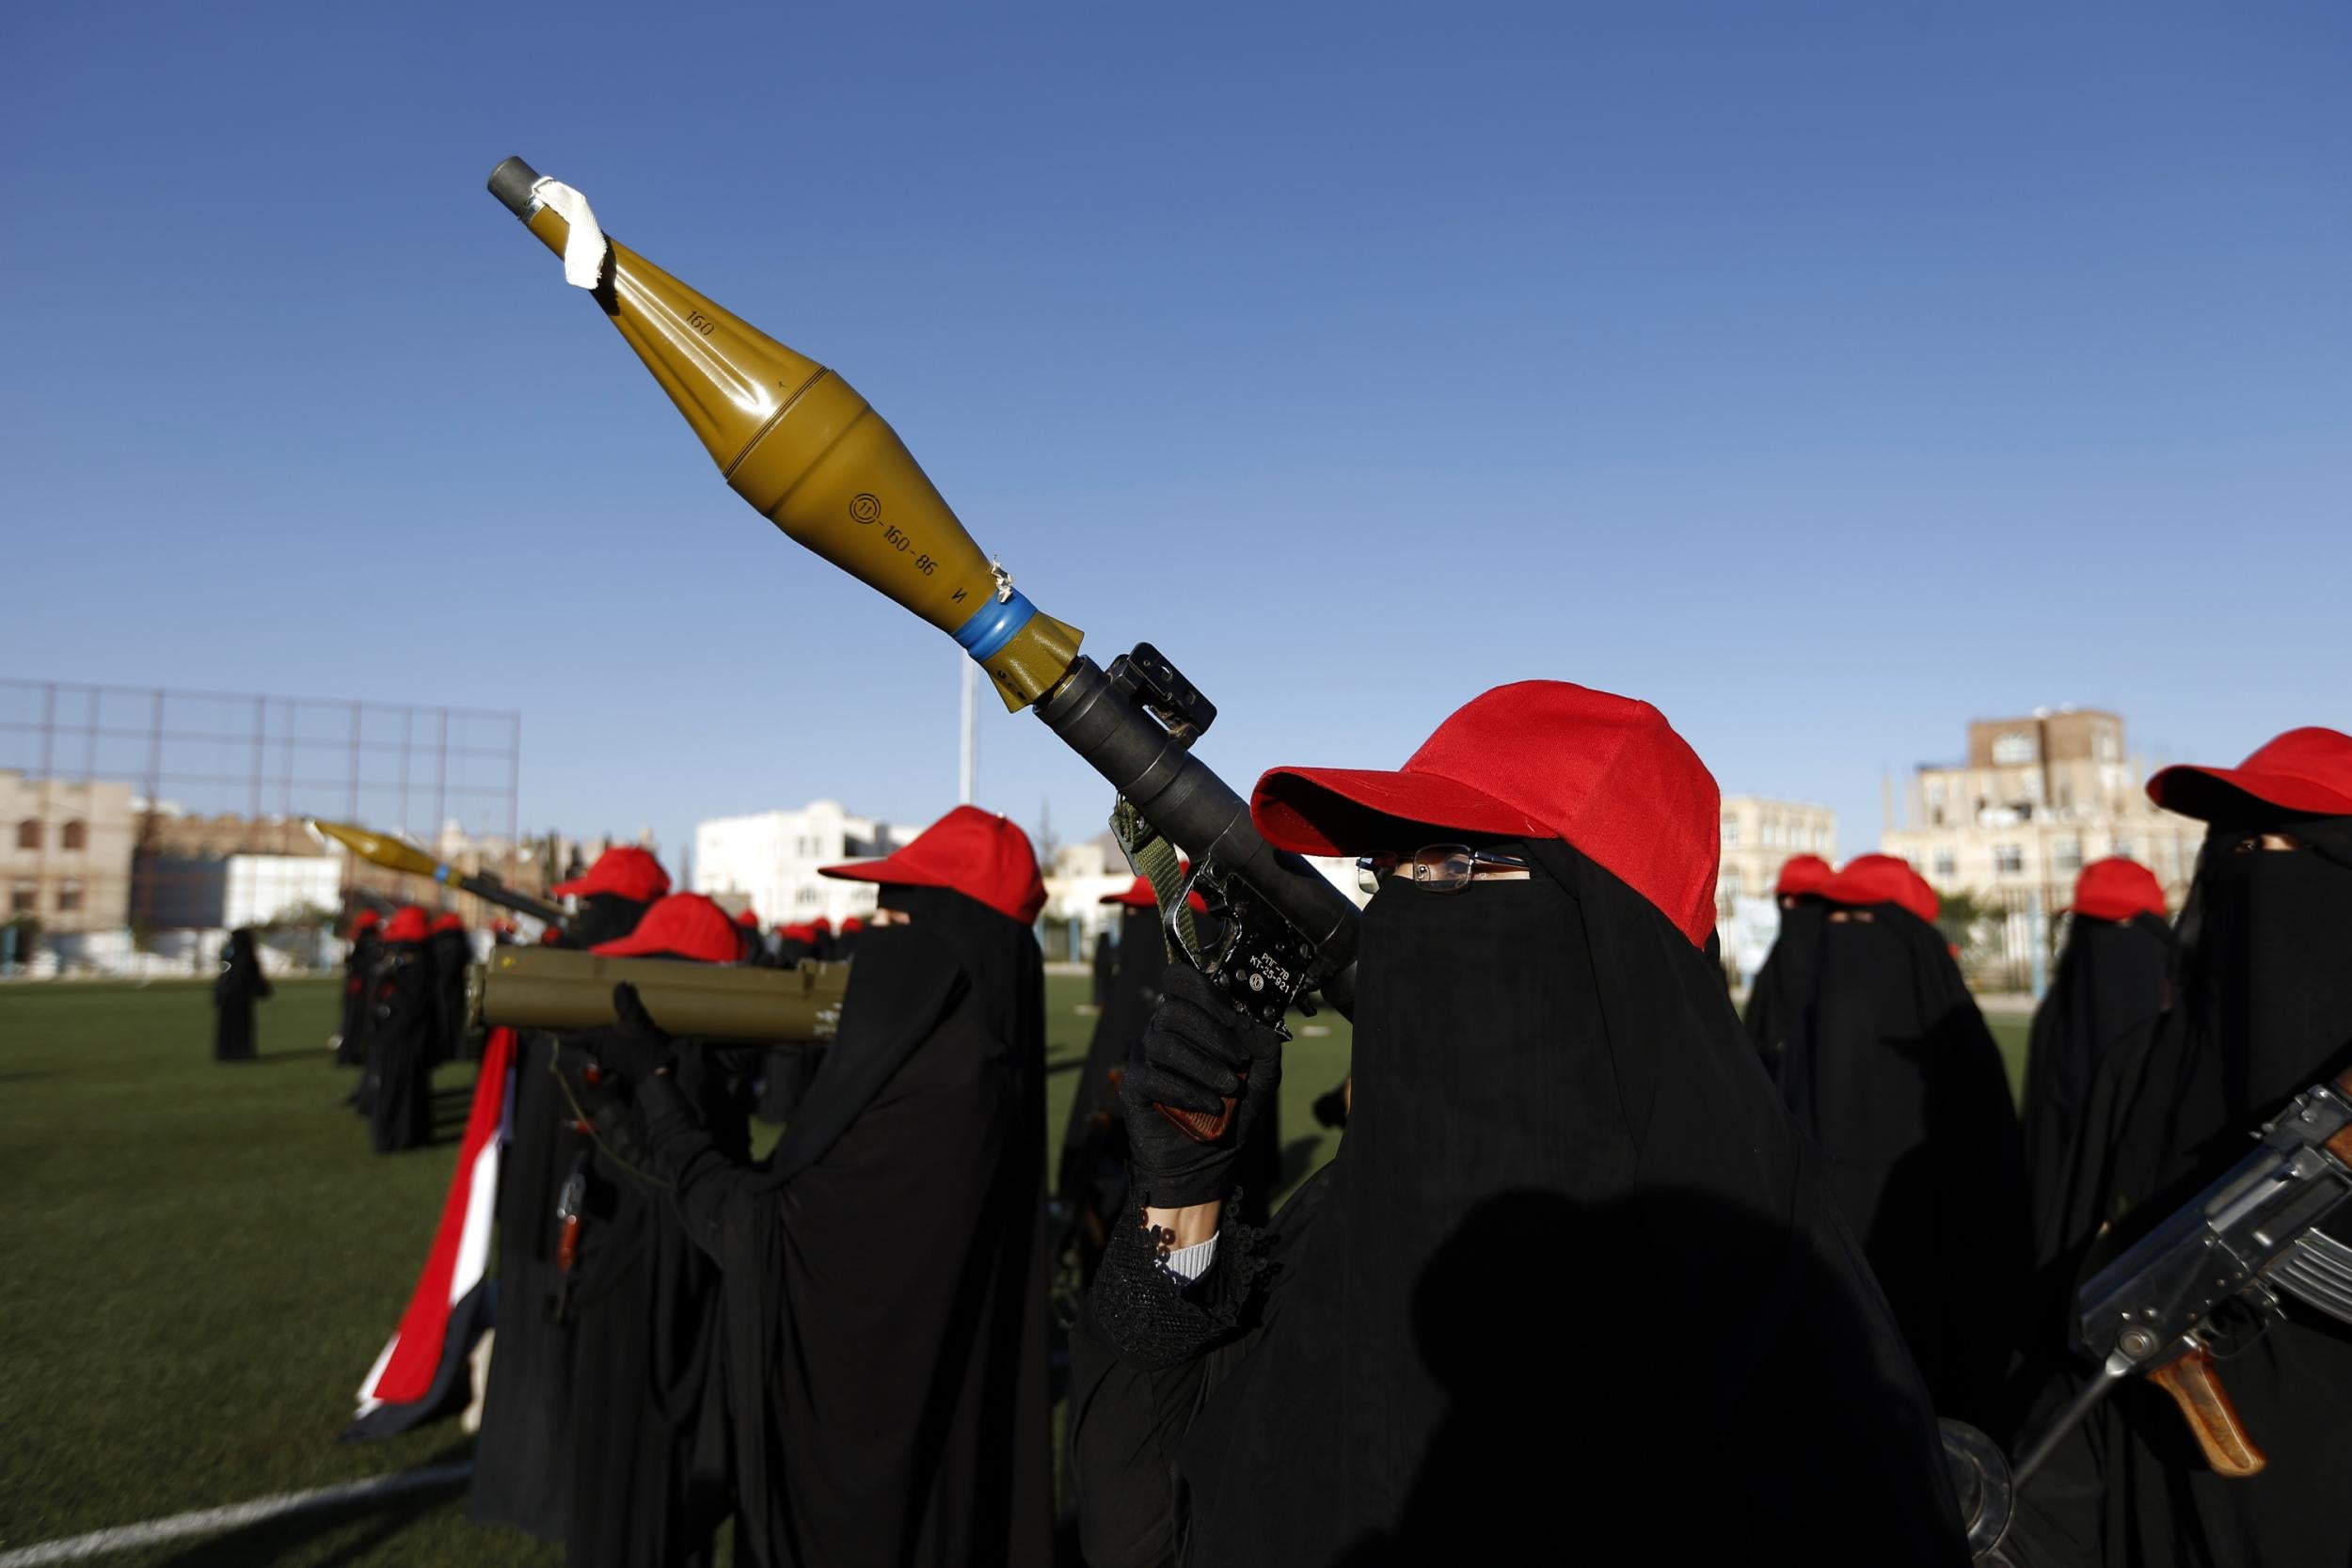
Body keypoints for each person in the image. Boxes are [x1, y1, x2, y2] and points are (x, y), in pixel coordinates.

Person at [1072, 682, 1968, 1566]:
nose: (1401, 909)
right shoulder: (1342, 1226)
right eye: (1389, 870)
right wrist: (1182, 1199)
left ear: (1614, 939)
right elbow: (1145, 1532)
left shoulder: (1786, 1347)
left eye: (1451, 863)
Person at [612, 804, 1054, 1567]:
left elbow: (761, 1234)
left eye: (888, 923)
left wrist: (658, 1094)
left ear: (945, 940)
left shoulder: (936, 1110)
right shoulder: (972, 1077)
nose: (867, 943)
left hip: (857, 1506)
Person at [2020, 728, 2352, 1568]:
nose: (2260, 867)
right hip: (2159, 1485)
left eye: (2298, 847)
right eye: (2237, 845)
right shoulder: (2137, 1069)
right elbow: (2061, 1287)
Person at [1772, 852, 2030, 1433]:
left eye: (1862, 924)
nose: (1841, 940)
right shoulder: (1805, 1039)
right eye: (1832, 924)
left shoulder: (1960, 1066)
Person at [469, 844, 672, 1543]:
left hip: (583, 1189)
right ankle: (543, 1486)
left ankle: (544, 1486)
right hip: (561, 1187)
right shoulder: (575, 967)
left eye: (595, 902)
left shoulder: (619, 971)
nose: (583, 914)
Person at [560, 893, 758, 1568]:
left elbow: (675, 1176)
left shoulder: (695, 1067)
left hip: (661, 1288)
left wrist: (622, 1099)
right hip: (633, 1279)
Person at [2018, 857, 2170, 1349]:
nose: (2105, 945)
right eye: (2092, 927)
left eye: (2122, 927)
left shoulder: (2181, 1023)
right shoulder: (2056, 1018)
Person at [1743, 851, 1834, 1074]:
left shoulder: (1840, 959)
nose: (1789, 906)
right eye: (1784, 899)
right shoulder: (1776, 961)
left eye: (1806, 900)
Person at [361, 907, 437, 1153]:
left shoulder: (410, 956)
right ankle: (408, 1133)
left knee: (399, 1084)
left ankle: (398, 1135)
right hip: (406, 1032)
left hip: (399, 1032)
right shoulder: (416, 953)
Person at [212, 927, 272, 1062]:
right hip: (241, 995)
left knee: (227, 1025)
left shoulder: (229, 951)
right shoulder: (245, 953)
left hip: (228, 994)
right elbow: (252, 974)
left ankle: (226, 1052)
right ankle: (241, 1051)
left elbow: (224, 970)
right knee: (241, 1025)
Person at [334, 909, 381, 1064]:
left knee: (350, 1021)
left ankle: (348, 1052)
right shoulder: (371, 941)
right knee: (358, 1021)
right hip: (362, 989)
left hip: (354, 988)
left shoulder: (358, 938)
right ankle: (354, 1053)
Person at [428, 912, 473, 1064]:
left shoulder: (440, 939)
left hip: (442, 986)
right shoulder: (459, 940)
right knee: (454, 1021)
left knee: (443, 1019)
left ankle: (444, 1049)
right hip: (455, 987)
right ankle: (453, 1050)